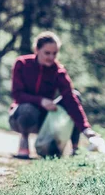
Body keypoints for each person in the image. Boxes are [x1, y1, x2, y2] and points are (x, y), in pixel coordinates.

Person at [9, 31, 98, 159]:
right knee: (27, 108)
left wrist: (86, 129)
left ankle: (75, 149)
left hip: (46, 119)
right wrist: (41, 101)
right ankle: (24, 141)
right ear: (37, 50)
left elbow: (70, 99)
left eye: (54, 53)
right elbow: (17, 95)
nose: (51, 57)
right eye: (47, 53)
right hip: (20, 116)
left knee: (75, 95)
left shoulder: (58, 71)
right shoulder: (22, 64)